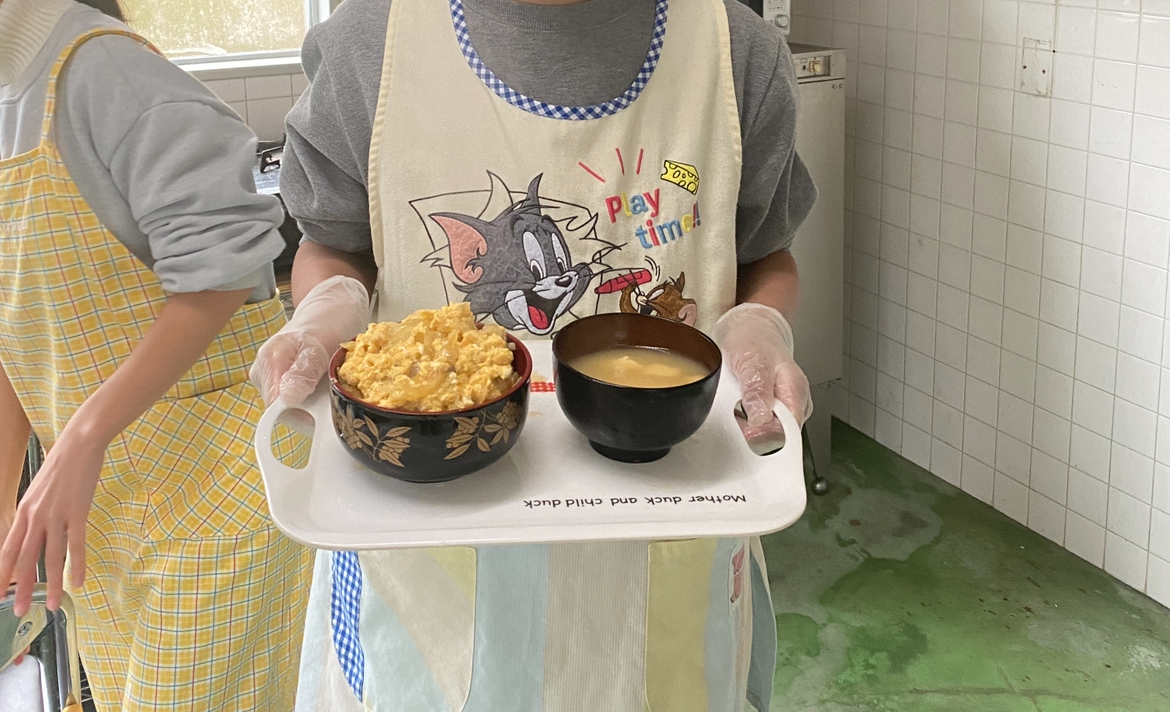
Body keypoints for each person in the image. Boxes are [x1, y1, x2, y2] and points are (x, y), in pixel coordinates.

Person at [252, 0, 817, 709]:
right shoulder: (372, 45)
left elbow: (766, 253)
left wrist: (760, 325)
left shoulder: (735, 50)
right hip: (430, 565)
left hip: (666, 554)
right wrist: (326, 308)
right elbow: (334, 241)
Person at [0, 0, 312, 709]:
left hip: (215, 503)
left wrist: (82, 433)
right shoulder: (8, 94)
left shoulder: (103, 72)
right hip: (103, 521)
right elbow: (15, 323)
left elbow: (227, 267)